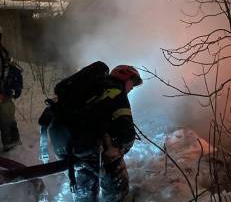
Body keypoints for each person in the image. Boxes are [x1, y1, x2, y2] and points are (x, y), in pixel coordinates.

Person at [41, 63, 142, 202]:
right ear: (124, 78)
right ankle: (117, 196)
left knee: (84, 179)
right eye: (132, 83)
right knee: (112, 160)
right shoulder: (116, 91)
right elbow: (126, 133)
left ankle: (84, 196)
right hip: (89, 148)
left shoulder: (90, 89)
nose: (131, 88)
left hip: (66, 147)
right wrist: (121, 147)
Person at [0, 29, 23, 152]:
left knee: (7, 120)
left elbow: (14, 71)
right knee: (7, 121)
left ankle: (11, 144)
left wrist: (16, 86)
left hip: (4, 95)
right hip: (4, 95)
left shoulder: (4, 54)